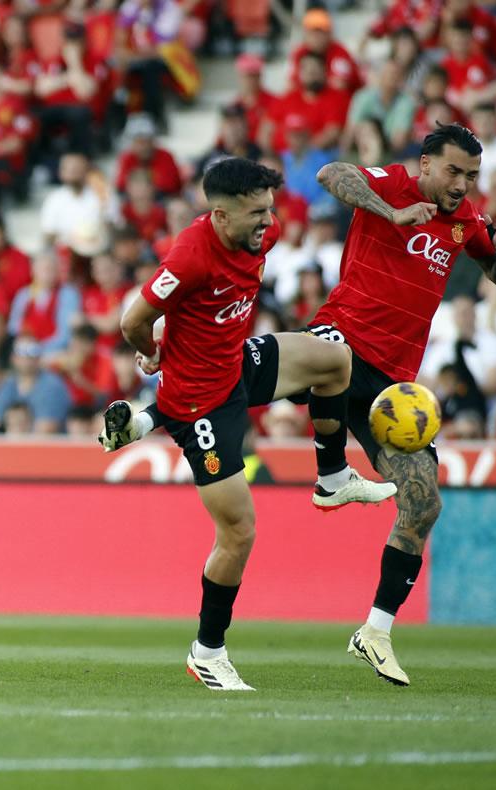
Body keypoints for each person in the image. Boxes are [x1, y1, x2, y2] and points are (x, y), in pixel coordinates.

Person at [98, 158, 396, 691]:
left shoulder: (263, 232)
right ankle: (207, 651)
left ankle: (331, 480)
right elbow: (131, 320)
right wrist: (152, 355)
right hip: (200, 406)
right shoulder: (190, 257)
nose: (268, 222)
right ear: (219, 215)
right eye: (256, 213)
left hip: (236, 363)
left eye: (270, 210)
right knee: (239, 533)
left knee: (335, 361)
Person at [305, 124, 496, 684]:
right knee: (262, 376)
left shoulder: (467, 221)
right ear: (426, 164)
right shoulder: (397, 184)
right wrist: (390, 211)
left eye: (471, 176)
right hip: (341, 340)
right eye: (453, 171)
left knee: (424, 503)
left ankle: (374, 632)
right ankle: (153, 405)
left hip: (391, 388)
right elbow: (332, 173)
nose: (462, 184)